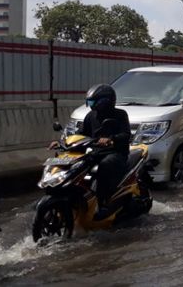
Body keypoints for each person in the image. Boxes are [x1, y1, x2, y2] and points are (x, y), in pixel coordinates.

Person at [52, 84, 130, 221]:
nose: (91, 105)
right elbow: (81, 134)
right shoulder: (91, 116)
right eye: (89, 102)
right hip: (96, 152)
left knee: (104, 166)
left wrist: (111, 139)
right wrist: (63, 143)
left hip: (116, 153)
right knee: (76, 165)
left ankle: (104, 203)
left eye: (93, 102)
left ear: (105, 102)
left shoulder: (120, 115)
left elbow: (126, 134)